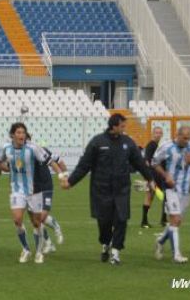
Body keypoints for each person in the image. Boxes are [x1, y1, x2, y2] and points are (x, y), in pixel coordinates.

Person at [61, 113, 154, 266]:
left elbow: (140, 163)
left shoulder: (128, 143)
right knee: (104, 222)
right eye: (122, 126)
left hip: (122, 189)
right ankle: (105, 243)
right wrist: (70, 182)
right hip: (101, 189)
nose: (124, 129)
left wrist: (150, 179)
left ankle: (116, 252)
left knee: (121, 220)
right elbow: (84, 165)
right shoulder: (97, 142)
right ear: (114, 126)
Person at [0, 123, 53, 264]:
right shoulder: (6, 148)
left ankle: (38, 252)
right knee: (17, 219)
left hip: (34, 191)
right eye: (18, 132)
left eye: (23, 132)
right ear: (12, 135)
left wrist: (62, 175)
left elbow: (50, 160)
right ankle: (26, 249)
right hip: (17, 190)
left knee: (36, 223)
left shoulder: (33, 148)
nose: (21, 135)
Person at [151, 125, 190, 264]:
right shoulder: (167, 147)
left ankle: (160, 241)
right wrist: (166, 175)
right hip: (171, 188)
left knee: (177, 222)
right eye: (184, 138)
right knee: (175, 219)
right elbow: (155, 162)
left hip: (186, 189)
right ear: (177, 135)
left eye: (188, 138)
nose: (186, 141)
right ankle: (176, 255)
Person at [31, 136, 68, 255]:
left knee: (41, 217)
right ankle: (48, 243)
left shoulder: (43, 151)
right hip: (32, 189)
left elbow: (59, 161)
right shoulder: (22, 152)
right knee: (36, 219)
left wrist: (65, 176)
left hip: (46, 187)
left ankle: (56, 227)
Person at [141, 126, 165, 228]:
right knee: (151, 196)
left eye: (160, 133)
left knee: (163, 197)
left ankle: (163, 219)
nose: (158, 134)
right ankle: (144, 221)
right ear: (152, 134)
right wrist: (149, 177)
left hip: (159, 176)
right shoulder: (151, 145)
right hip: (153, 176)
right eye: (156, 133)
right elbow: (147, 161)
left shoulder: (158, 145)